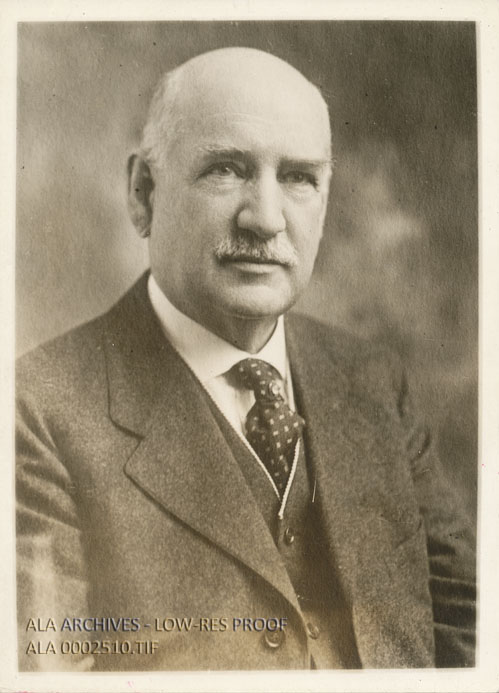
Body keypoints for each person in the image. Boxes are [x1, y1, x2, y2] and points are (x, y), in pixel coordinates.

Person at [16, 47, 475, 672]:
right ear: (143, 193)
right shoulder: (36, 409)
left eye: (298, 178)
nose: (265, 219)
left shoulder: (373, 382)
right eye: (226, 170)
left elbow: (470, 631)